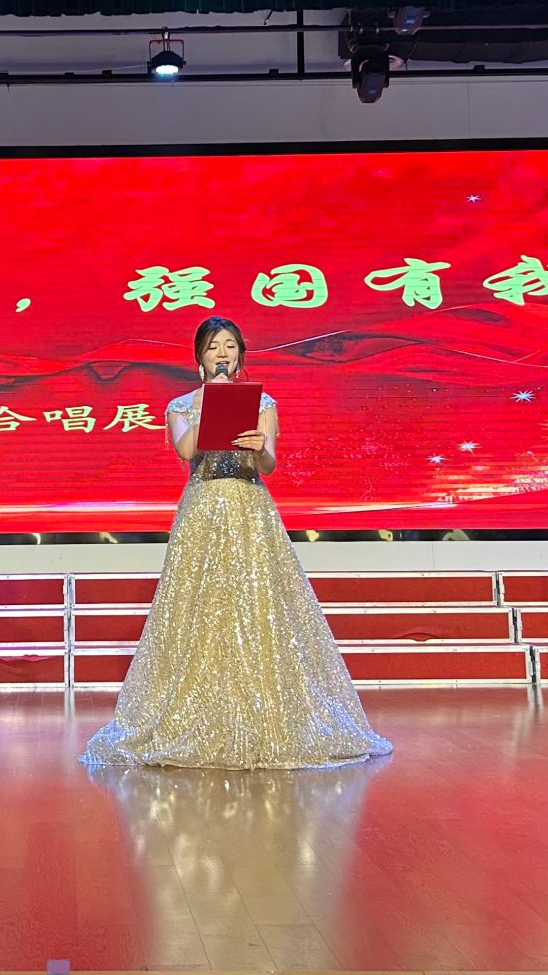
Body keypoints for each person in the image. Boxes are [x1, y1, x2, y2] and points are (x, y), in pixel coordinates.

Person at [83, 317, 392, 770]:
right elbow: (186, 451)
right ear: (200, 358)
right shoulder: (180, 405)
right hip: (204, 510)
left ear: (240, 356)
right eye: (213, 347)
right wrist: (214, 402)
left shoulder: (263, 403)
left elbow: (268, 465)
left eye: (230, 346)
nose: (222, 354)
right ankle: (194, 713)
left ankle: (268, 714)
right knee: (199, 607)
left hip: (249, 508)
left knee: (257, 606)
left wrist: (259, 446)